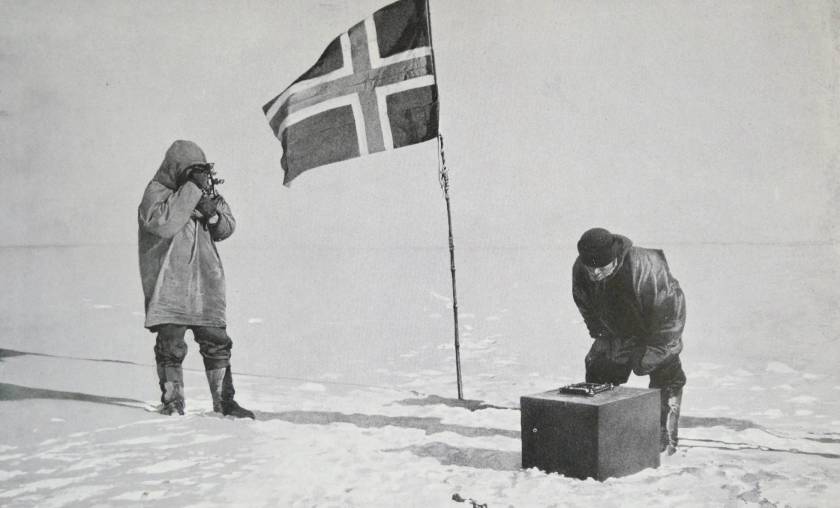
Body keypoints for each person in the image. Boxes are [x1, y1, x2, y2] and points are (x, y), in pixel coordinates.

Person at [138, 139, 254, 419]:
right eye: (193, 171)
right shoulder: (157, 192)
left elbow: (227, 227)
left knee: (217, 341)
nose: (201, 176)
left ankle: (225, 401)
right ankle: (173, 402)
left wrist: (212, 213)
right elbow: (163, 223)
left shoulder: (205, 193)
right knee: (171, 344)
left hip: (205, 282)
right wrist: (192, 192)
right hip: (171, 283)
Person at [571, 227, 686, 454]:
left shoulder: (646, 266)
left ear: (614, 258)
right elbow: (585, 304)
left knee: (667, 375)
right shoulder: (581, 269)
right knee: (598, 369)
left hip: (657, 327)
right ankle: (605, 434)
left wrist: (658, 347)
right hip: (618, 329)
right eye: (590, 268)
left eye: (601, 268)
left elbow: (669, 310)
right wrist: (601, 335)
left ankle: (664, 441)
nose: (595, 274)